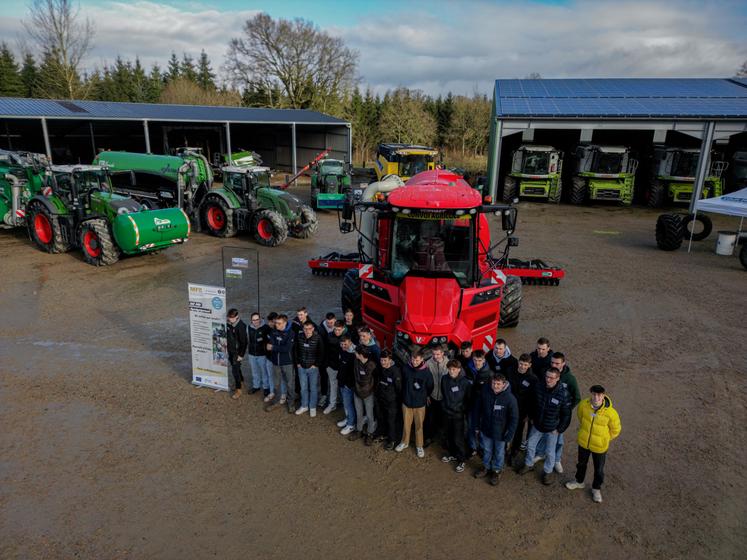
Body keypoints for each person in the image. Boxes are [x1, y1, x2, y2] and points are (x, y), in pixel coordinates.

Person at [566, 385, 621, 503]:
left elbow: (616, 430)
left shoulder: (611, 413)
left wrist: (605, 439)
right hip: (584, 442)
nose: (596, 397)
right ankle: (579, 482)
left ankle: (596, 488)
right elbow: (581, 417)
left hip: (600, 446)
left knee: (599, 469)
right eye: (594, 394)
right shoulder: (583, 405)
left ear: (603, 395)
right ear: (591, 394)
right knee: (581, 464)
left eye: (599, 395)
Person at [518, 367, 572, 485]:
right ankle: (528, 464)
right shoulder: (539, 386)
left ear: (557, 379)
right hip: (537, 425)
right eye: (547, 377)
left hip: (552, 429)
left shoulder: (563, 394)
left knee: (550, 452)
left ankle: (547, 472)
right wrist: (531, 416)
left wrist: (559, 429)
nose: (548, 380)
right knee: (531, 446)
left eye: (551, 378)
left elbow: (567, 415)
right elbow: (532, 402)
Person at [538, 351, 581, 474]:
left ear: (563, 364)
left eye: (557, 363)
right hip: (547, 413)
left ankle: (557, 460)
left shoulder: (570, 379)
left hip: (559, 417)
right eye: (552, 362)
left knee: (558, 439)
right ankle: (541, 454)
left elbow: (577, 397)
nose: (554, 365)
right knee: (543, 434)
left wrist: (565, 411)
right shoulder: (547, 373)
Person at [474, 373, 519, 486]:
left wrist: (509, 435)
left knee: (499, 452)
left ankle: (497, 471)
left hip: (501, 433)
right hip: (486, 430)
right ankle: (486, 467)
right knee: (487, 450)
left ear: (504, 384)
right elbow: (477, 410)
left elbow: (514, 418)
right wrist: (477, 426)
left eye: (498, 384)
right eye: (494, 383)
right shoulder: (485, 394)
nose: (495, 386)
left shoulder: (510, 399)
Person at [396, 349, 433, 458]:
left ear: (422, 359)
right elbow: (401, 382)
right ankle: (404, 442)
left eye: (416, 360)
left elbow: (430, 386)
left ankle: (419, 446)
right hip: (407, 402)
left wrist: (425, 396)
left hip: (420, 404)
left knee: (419, 426)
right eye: (413, 359)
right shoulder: (406, 368)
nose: (414, 362)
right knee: (406, 424)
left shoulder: (426, 372)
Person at [440, 359, 471, 473]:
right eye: (450, 369)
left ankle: (461, 459)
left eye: (454, 369)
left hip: (458, 415)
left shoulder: (465, 382)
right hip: (447, 413)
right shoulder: (444, 379)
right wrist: (445, 406)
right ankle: (452, 454)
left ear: (459, 369)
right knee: (448, 435)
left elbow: (468, 399)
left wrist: (461, 409)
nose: (451, 371)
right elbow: (443, 393)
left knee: (458, 438)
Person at [507, 353, 538, 466]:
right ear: (518, 362)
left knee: (518, 433)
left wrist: (528, 414)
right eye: (521, 363)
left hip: (522, 411)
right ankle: (504, 449)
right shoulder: (510, 371)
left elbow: (533, 399)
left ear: (529, 365)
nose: (522, 366)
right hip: (508, 408)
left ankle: (513, 453)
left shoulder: (533, 379)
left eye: (525, 365)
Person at [267, 314, 297, 413]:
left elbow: (287, 348)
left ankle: (291, 403)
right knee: (276, 384)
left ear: (285, 323)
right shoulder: (273, 331)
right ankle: (276, 402)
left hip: (287, 363)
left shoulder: (291, 333)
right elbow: (270, 344)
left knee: (289, 384)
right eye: (276, 323)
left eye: (279, 323)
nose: (276, 325)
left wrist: (274, 347)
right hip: (275, 362)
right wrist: (274, 347)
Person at [294, 320, 325, 417]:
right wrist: (298, 363)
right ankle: (304, 405)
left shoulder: (318, 338)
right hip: (301, 367)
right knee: (303, 388)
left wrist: (316, 365)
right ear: (303, 329)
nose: (307, 331)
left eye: (309, 329)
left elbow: (321, 352)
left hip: (313, 368)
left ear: (313, 329)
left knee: (313, 388)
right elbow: (295, 350)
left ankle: (312, 407)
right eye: (305, 329)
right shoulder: (299, 337)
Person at [465, 349, 491, 455]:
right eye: (475, 360)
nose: (477, 362)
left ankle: (482, 447)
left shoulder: (489, 374)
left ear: (484, 360)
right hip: (470, 404)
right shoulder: (467, 369)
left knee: (482, 428)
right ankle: (472, 447)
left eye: (479, 360)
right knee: (471, 426)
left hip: (483, 406)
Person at [375, 350, 402, 450]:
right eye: (381, 360)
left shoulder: (395, 372)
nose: (383, 362)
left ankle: (392, 440)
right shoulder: (381, 368)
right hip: (381, 399)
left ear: (390, 360)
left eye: (385, 360)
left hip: (391, 402)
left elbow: (399, 388)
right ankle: (384, 435)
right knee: (382, 418)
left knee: (391, 422)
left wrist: (394, 400)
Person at [350, 346, 377, 445]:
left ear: (361, 355)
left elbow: (375, 380)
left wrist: (371, 391)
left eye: (356, 353)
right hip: (357, 391)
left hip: (368, 394)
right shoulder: (356, 361)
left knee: (370, 415)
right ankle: (359, 430)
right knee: (359, 413)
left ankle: (370, 433)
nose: (355, 354)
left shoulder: (372, 365)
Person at [425, 345, 449, 448]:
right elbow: (425, 380)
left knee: (444, 419)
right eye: (434, 354)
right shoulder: (428, 364)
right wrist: (427, 395)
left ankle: (443, 439)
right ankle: (429, 437)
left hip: (444, 398)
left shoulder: (448, 364)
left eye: (438, 354)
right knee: (430, 418)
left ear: (442, 353)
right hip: (433, 396)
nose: (436, 356)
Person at [322, 320, 346, 415]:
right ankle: (332, 404)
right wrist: (327, 365)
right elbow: (325, 350)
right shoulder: (329, 336)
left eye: (339, 330)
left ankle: (345, 405)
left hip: (342, 367)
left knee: (343, 387)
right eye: (335, 329)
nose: (337, 331)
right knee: (333, 385)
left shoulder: (346, 337)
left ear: (343, 329)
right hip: (331, 366)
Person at [336, 335, 357, 436]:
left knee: (349, 405)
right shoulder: (342, 351)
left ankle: (351, 424)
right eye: (342, 344)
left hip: (348, 385)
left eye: (345, 344)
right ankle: (348, 418)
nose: (343, 346)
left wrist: (348, 385)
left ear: (350, 342)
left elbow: (354, 373)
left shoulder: (354, 354)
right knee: (346, 404)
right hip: (342, 382)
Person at [246, 312, 271, 395]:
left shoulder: (266, 327)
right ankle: (256, 386)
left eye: (257, 319)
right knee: (254, 371)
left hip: (262, 354)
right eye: (254, 320)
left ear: (260, 319)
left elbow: (270, 339)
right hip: (252, 354)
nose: (256, 321)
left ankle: (266, 387)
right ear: (251, 320)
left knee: (264, 372)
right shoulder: (249, 328)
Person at [226, 309, 248, 399]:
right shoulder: (229, 324)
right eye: (229, 317)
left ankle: (238, 389)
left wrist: (241, 355)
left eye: (232, 318)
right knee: (236, 367)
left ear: (237, 317)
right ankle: (241, 380)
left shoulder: (241, 326)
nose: (230, 319)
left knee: (235, 370)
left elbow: (244, 342)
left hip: (237, 352)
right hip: (230, 350)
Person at [317, 312, 337, 408]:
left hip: (335, 358)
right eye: (328, 322)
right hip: (323, 358)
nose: (330, 324)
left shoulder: (338, 329)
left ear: (335, 320)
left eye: (332, 322)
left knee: (335, 379)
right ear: (325, 320)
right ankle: (324, 395)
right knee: (323, 377)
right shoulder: (320, 328)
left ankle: (336, 399)